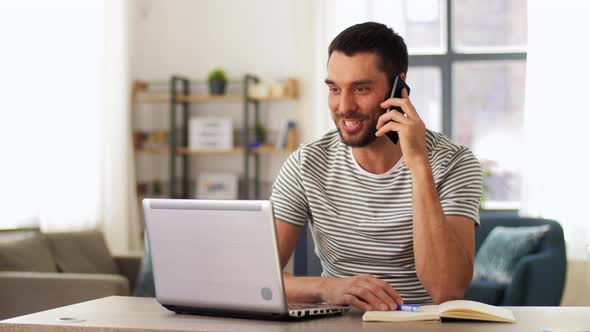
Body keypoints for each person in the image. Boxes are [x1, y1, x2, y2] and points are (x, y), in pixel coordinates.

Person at [270, 22, 482, 312]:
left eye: (361, 88)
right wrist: (326, 287)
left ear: (399, 86)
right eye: (334, 89)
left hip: (423, 326)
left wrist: (418, 165)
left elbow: (447, 288)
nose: (344, 106)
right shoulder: (306, 164)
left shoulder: (454, 162)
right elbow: (257, 279)